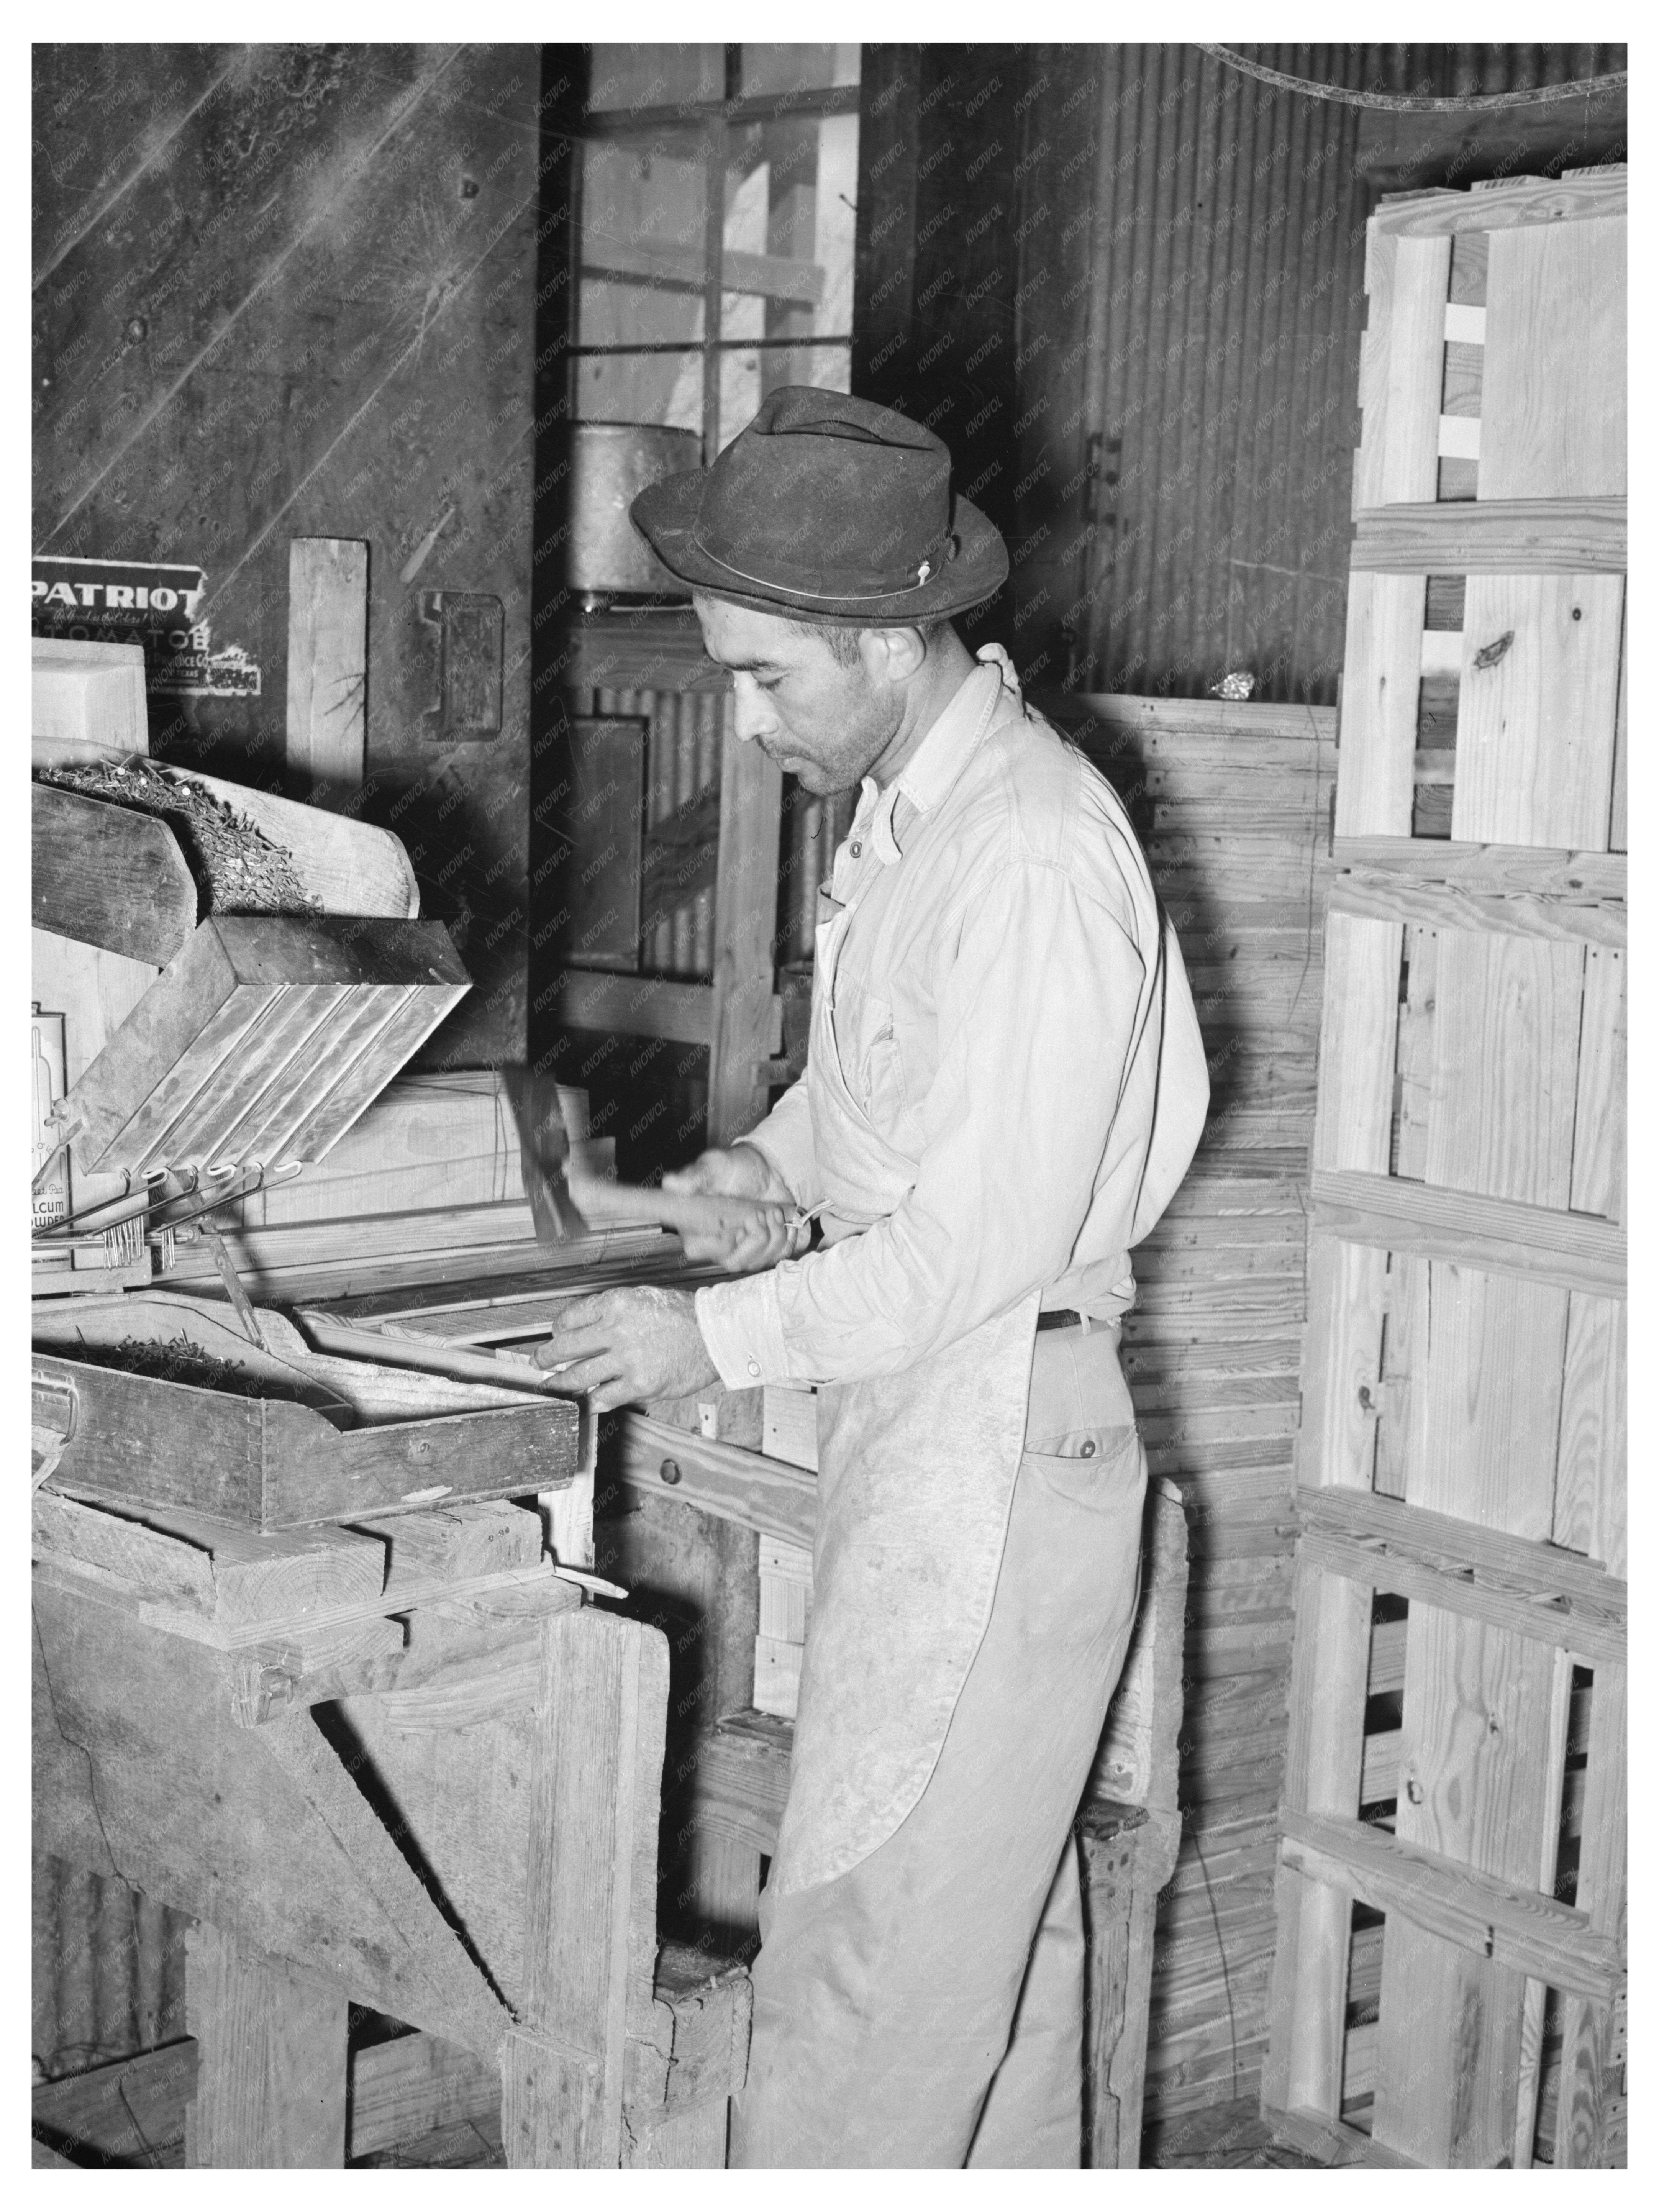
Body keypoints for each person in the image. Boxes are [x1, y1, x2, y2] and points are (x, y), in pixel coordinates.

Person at [534, 387, 1208, 2168]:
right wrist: (770, 1167)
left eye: (768, 680)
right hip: (935, 1427)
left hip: (1000, 1423)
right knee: (994, 1978)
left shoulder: (1036, 850)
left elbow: (974, 1246)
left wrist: (707, 1337)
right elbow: (884, 1107)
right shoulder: (914, 816)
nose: (752, 726)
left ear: (891, 637)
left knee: (861, 1986)